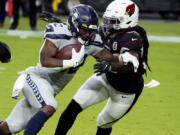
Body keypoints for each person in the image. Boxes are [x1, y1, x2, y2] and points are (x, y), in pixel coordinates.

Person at [0, 4, 137, 135]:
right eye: (84, 29)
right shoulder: (58, 33)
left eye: (91, 30)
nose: (87, 34)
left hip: (50, 90)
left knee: (8, 128)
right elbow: (45, 61)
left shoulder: (92, 42)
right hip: (35, 78)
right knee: (49, 106)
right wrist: (70, 62)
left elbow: (110, 58)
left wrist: (125, 58)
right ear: (74, 24)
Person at [54, 0, 151, 135]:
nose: (108, 24)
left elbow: (128, 64)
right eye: (107, 19)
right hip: (106, 78)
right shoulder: (106, 31)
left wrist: (112, 64)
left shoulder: (134, 38)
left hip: (126, 92)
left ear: (128, 20)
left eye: (114, 21)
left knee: (103, 123)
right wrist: (62, 24)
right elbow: (83, 32)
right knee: (72, 108)